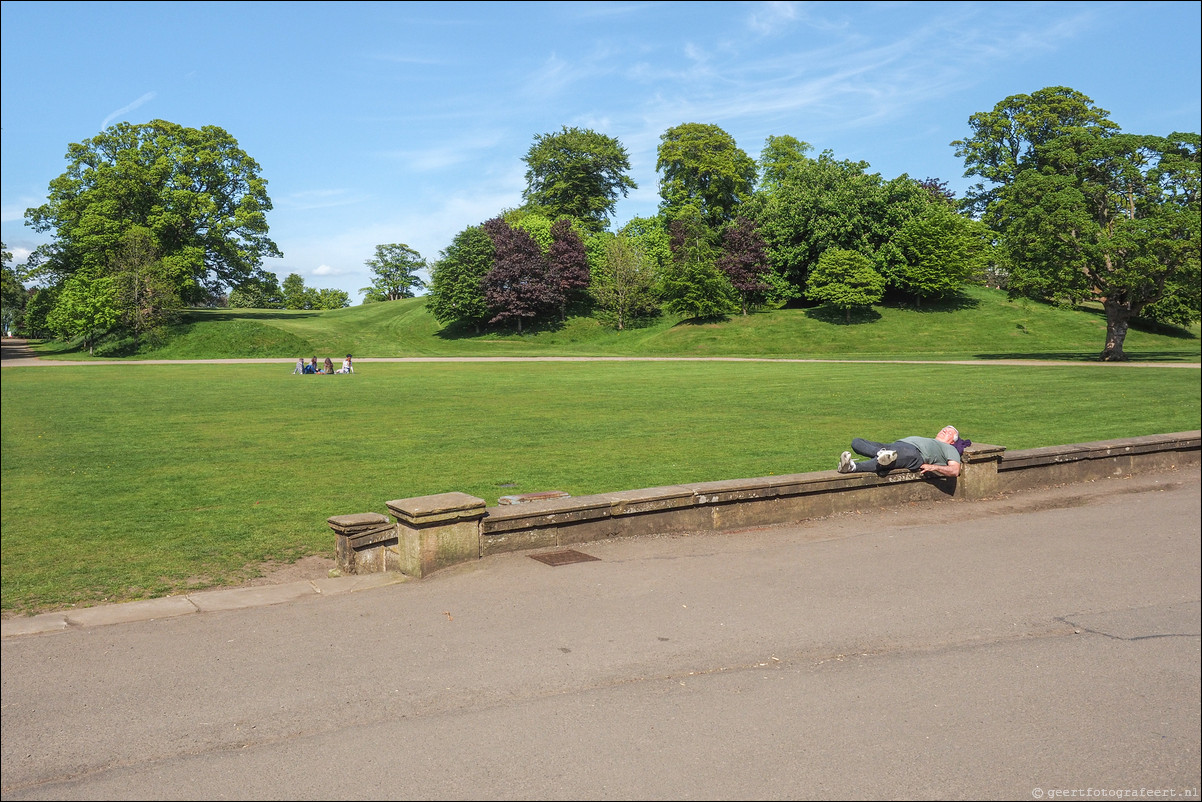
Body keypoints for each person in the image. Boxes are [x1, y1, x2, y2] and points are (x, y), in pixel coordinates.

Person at [837, 425, 970, 477]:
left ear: (953, 441)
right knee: (856, 442)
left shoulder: (950, 449)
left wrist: (933, 467)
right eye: (943, 429)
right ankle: (880, 453)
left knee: (888, 461)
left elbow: (954, 470)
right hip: (896, 445)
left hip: (916, 454)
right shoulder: (930, 439)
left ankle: (853, 467)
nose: (943, 431)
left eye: (948, 432)